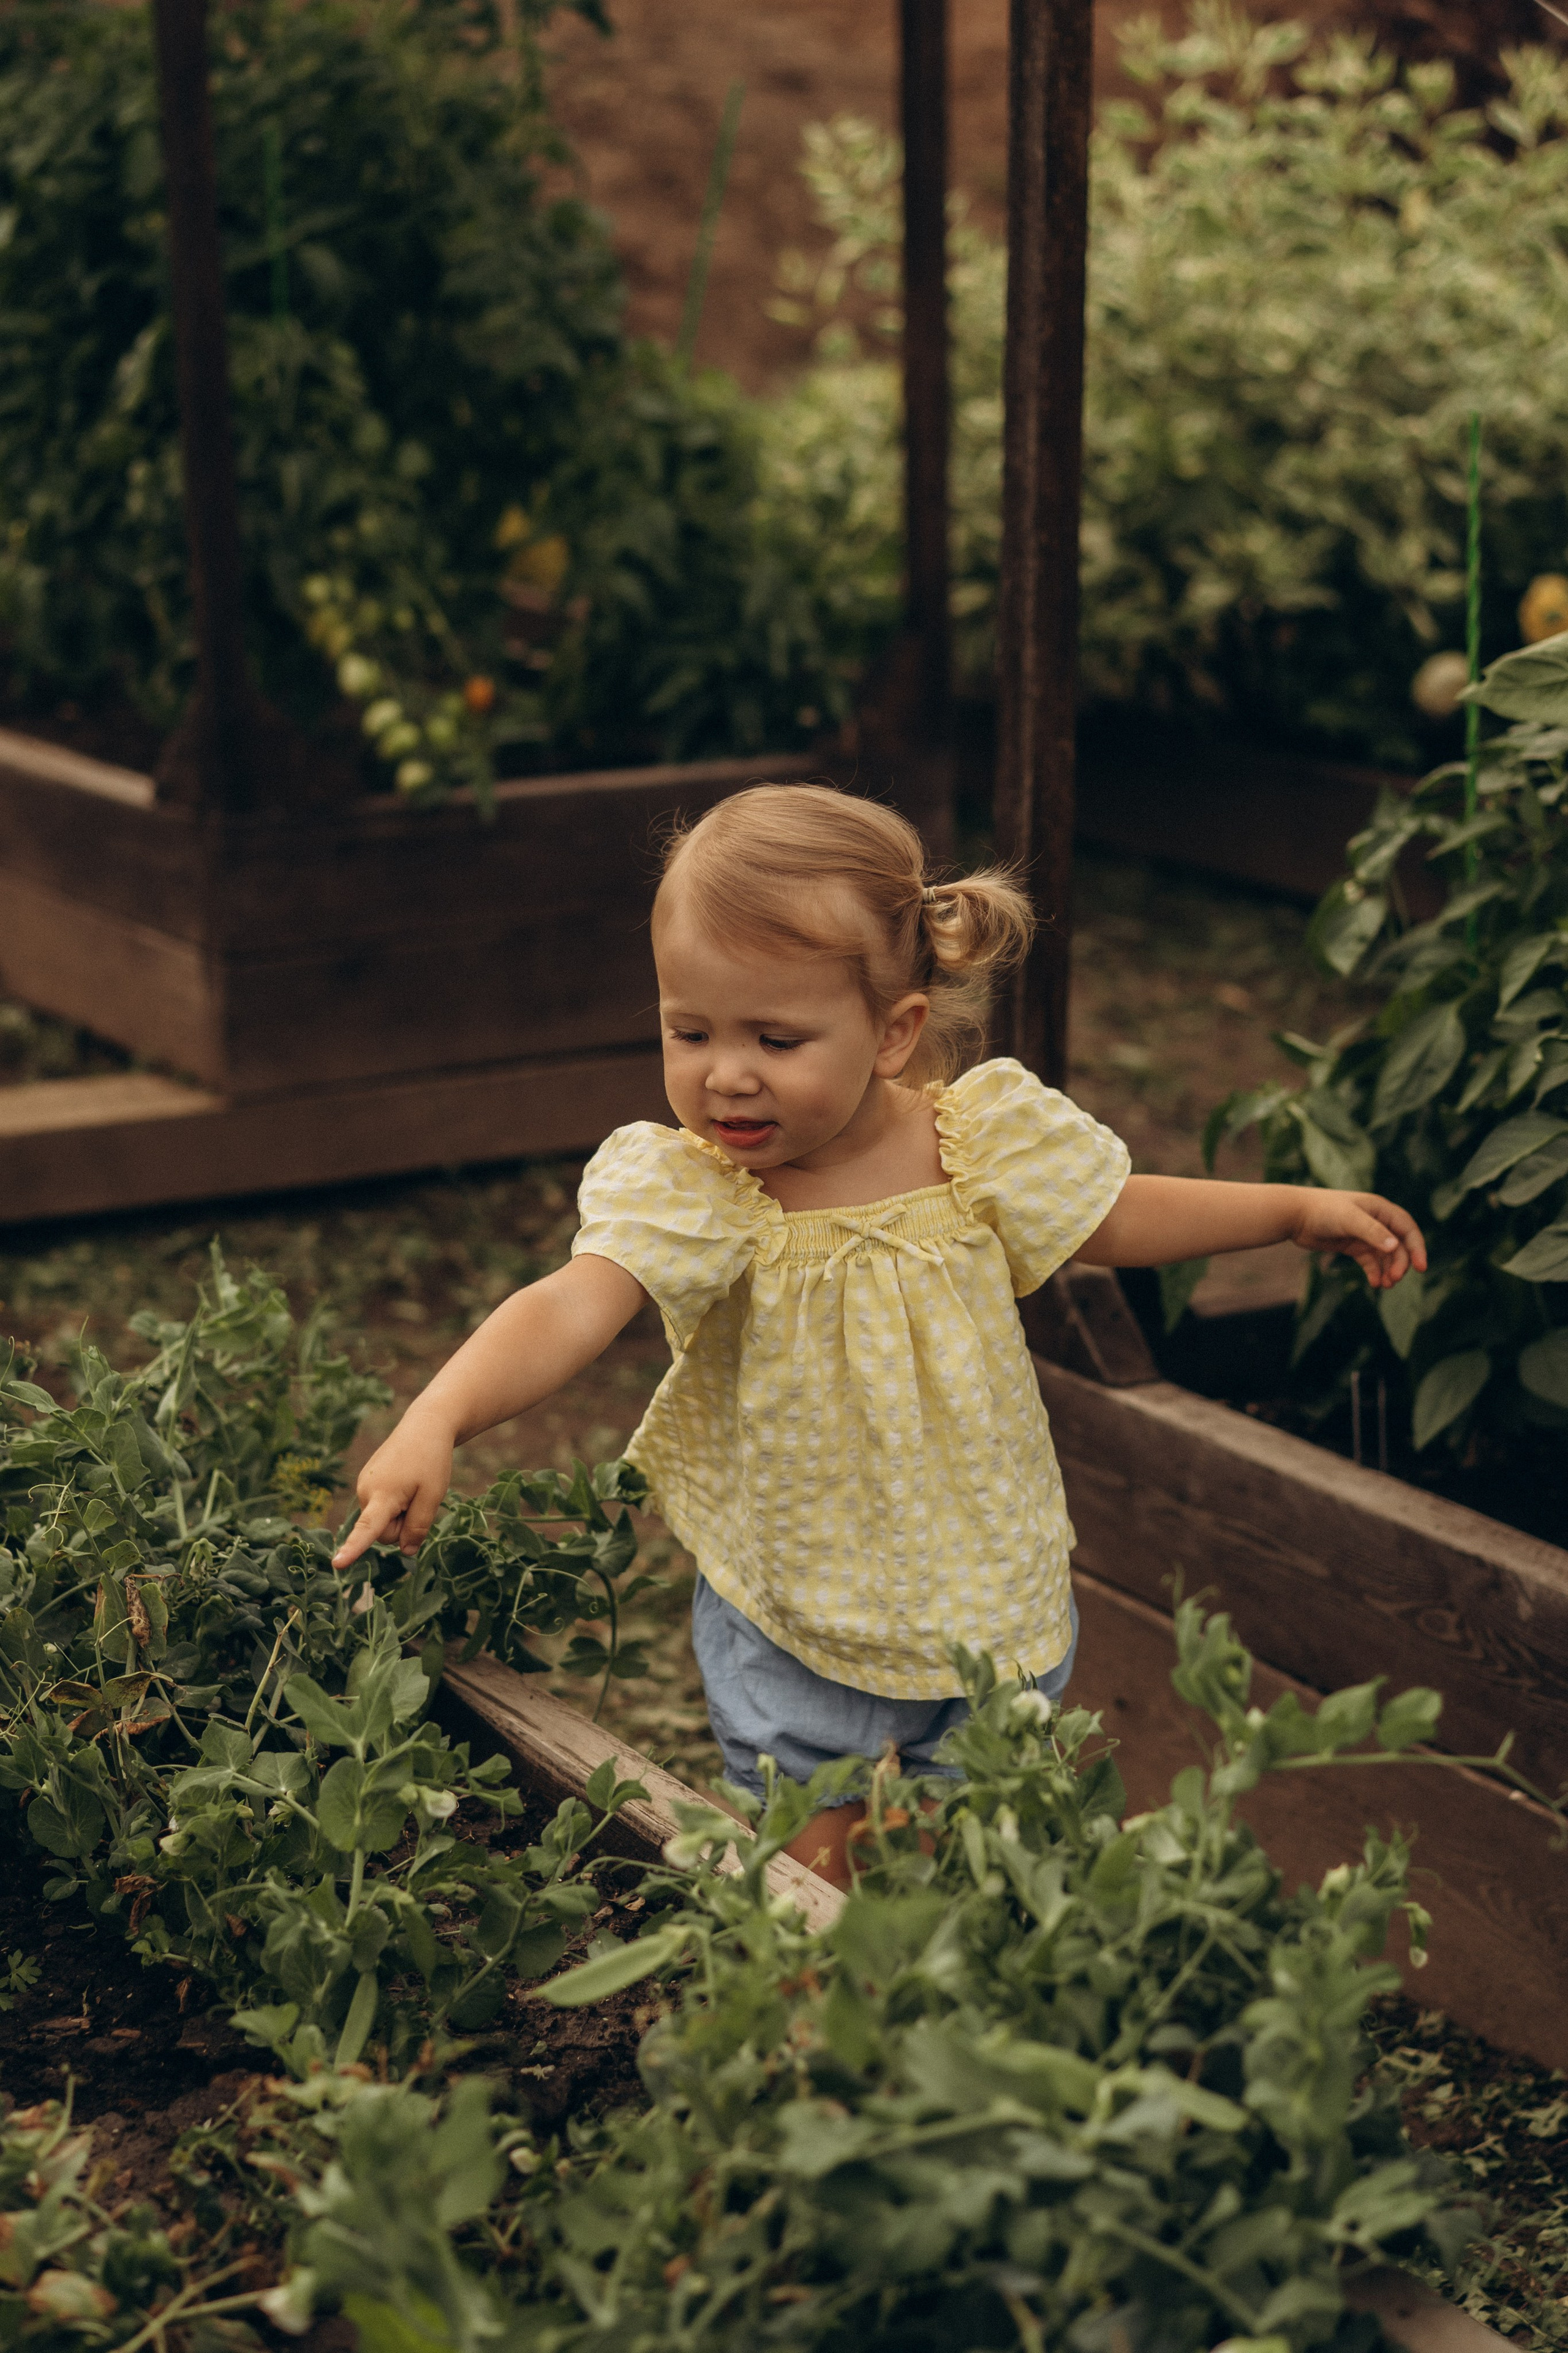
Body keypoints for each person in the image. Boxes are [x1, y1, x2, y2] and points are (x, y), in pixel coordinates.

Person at [333, 784, 1425, 1887]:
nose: (726, 1073)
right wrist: (440, 1414)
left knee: (969, 1863)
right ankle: (818, 1980)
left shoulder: (979, 1144)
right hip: (796, 1599)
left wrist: (1289, 1211)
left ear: (895, 1031)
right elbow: (573, 1302)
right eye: (690, 1030)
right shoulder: (700, 1188)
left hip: (985, 1586)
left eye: (776, 1037)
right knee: (813, 1868)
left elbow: (1117, 1214)